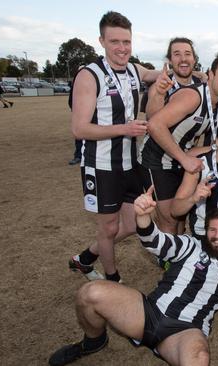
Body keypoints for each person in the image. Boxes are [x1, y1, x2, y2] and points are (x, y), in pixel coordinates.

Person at [48, 189, 218, 366]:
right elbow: (155, 241)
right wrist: (143, 216)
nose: (217, 236)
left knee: (199, 358)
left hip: (185, 330)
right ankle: (94, 341)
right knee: (90, 292)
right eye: (213, 230)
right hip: (149, 313)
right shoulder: (191, 245)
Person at [68, 11, 162, 283]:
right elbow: (79, 128)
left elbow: (154, 74)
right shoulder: (88, 75)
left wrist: (195, 72)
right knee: (108, 227)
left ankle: (85, 258)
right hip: (101, 165)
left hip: (130, 163)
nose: (122, 48)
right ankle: (112, 279)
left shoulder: (133, 69)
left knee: (134, 223)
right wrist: (125, 129)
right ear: (102, 41)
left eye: (127, 42)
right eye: (115, 42)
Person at [138, 55, 218, 234]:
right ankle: (167, 260)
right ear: (211, 75)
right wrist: (184, 159)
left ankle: (179, 257)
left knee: (179, 218)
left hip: (177, 160)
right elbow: (154, 125)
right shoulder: (194, 96)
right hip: (156, 160)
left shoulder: (217, 106)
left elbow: (188, 144)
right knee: (169, 219)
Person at [143, 37, 205, 118]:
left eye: (187, 54)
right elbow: (151, 119)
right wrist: (160, 95)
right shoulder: (158, 87)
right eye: (177, 54)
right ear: (170, 60)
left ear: (194, 59)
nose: (183, 59)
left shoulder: (203, 85)